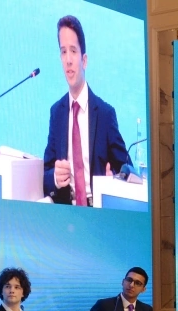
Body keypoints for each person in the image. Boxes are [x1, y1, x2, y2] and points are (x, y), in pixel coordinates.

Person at [43, 15, 129, 205]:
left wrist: (114, 179)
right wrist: (55, 177)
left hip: (97, 211)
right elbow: (45, 173)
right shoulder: (56, 113)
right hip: (66, 210)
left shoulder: (105, 114)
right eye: (63, 52)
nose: (68, 60)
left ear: (84, 60)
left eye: (73, 51)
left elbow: (127, 169)